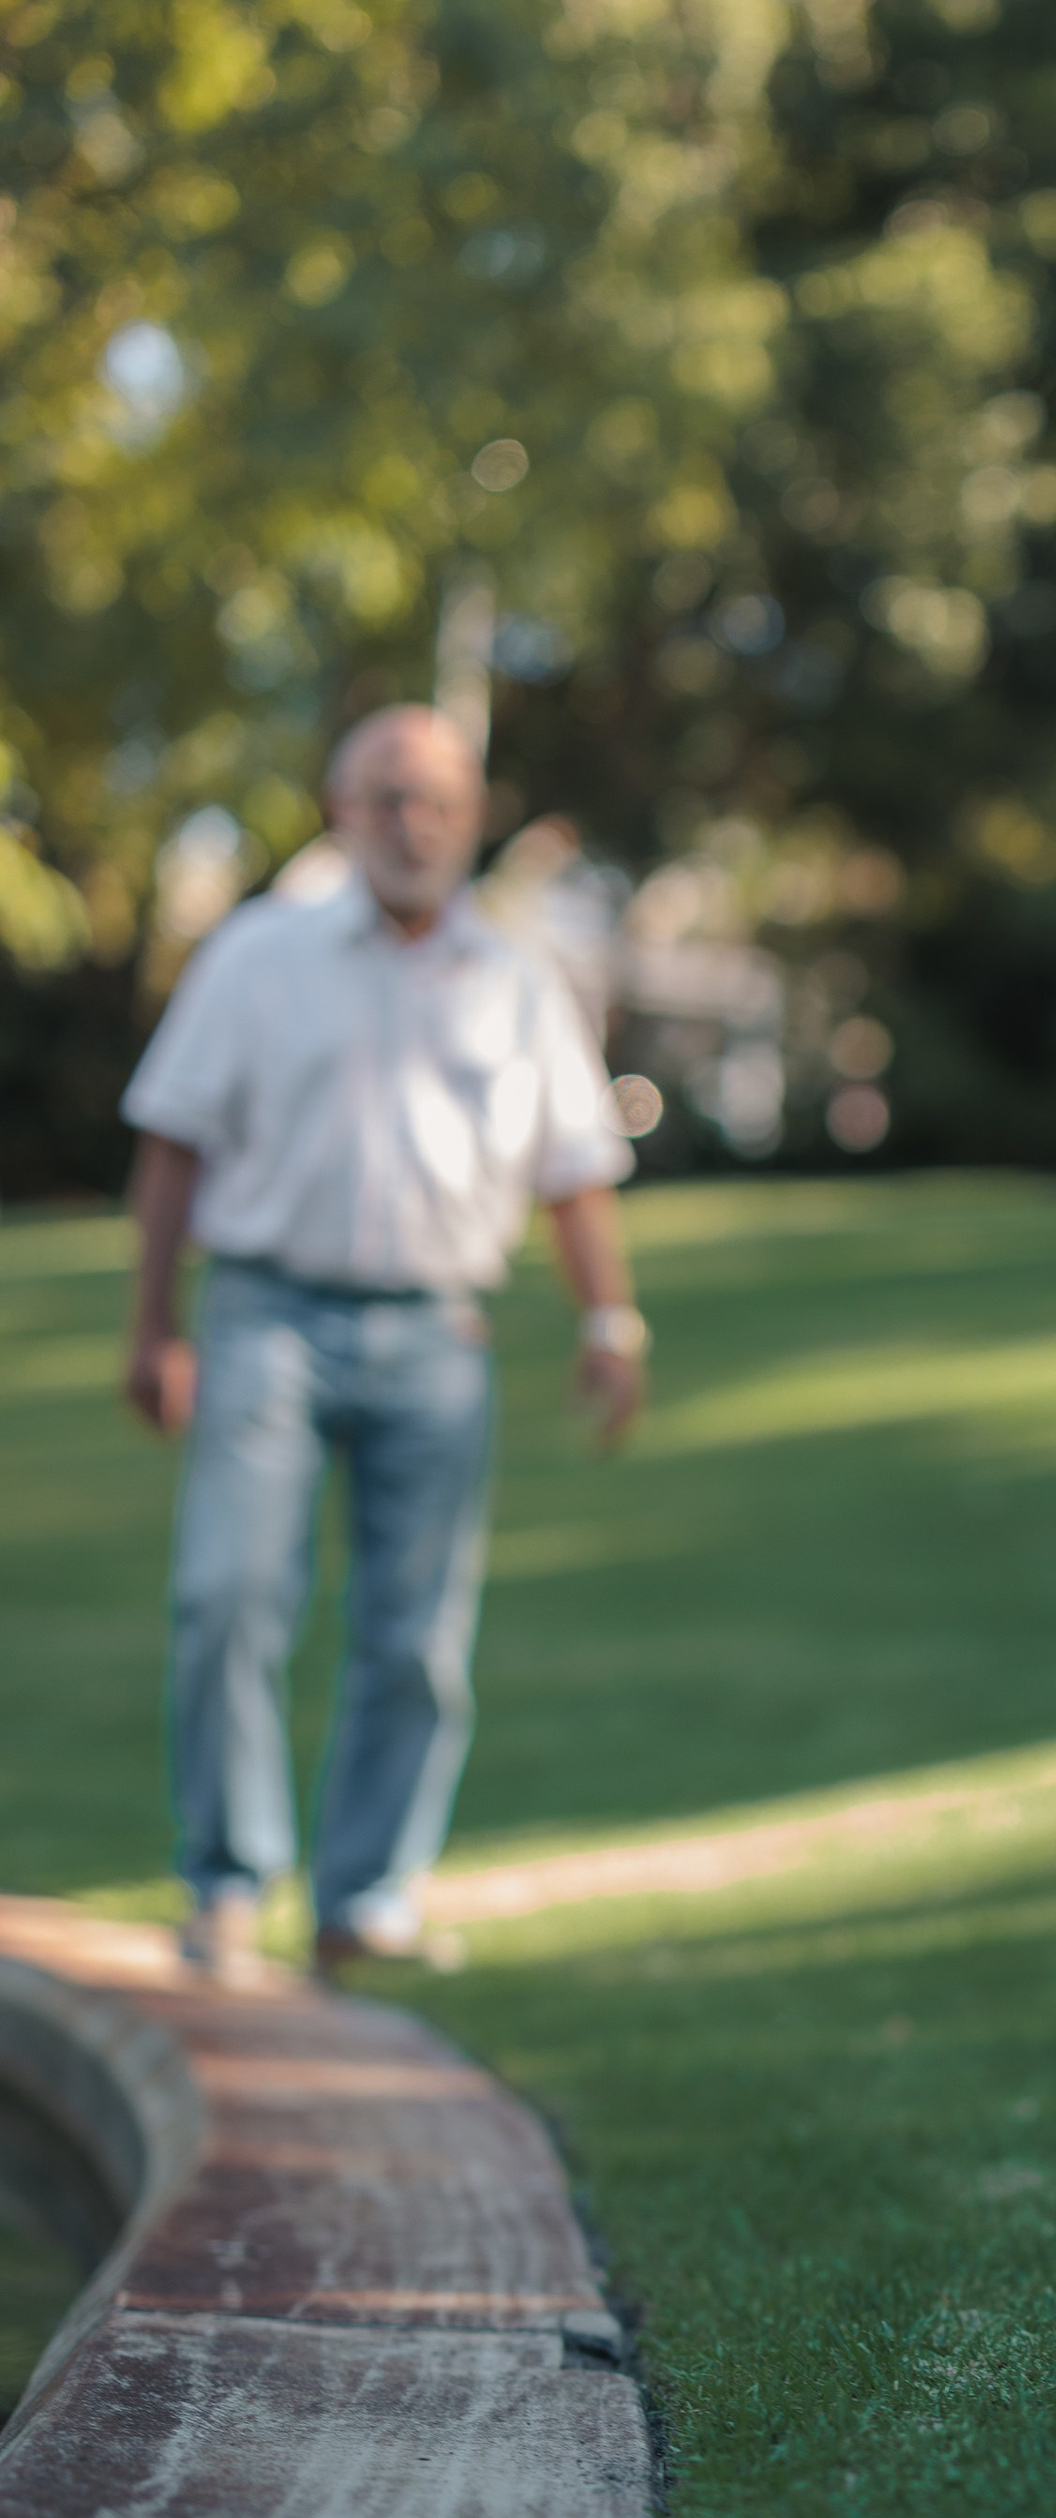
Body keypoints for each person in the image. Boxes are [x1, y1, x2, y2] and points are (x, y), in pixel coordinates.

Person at [120, 704, 650, 1980]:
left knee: (415, 1633)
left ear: (471, 818)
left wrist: (608, 1317)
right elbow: (172, 1143)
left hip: (436, 1333)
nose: (411, 823)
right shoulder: (258, 955)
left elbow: (574, 1169)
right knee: (229, 1596)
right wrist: (154, 1327)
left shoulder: (518, 980)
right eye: (385, 798)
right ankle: (229, 1885)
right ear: (340, 811)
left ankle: (366, 1895)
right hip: (266, 1319)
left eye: (436, 802)